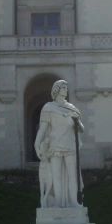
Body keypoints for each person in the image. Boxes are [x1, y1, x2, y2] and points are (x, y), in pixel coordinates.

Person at [34, 80, 83, 208]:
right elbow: (42, 129)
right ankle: (58, 202)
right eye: (63, 87)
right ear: (56, 89)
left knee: (72, 175)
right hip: (55, 145)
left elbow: (81, 129)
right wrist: (36, 144)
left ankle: (74, 202)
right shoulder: (48, 107)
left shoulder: (72, 108)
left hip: (70, 144)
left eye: (66, 88)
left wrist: (76, 120)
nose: (66, 90)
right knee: (56, 176)